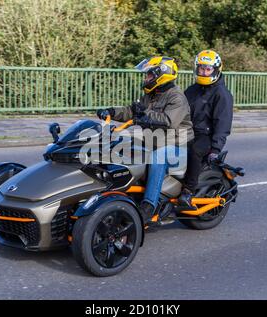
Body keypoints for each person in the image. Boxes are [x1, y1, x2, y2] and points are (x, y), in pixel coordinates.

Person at [96, 56, 194, 225]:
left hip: (177, 145)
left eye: (149, 75)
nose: (146, 78)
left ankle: (149, 205)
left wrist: (144, 115)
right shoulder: (150, 95)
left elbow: (168, 120)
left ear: (161, 75)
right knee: (122, 147)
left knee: (158, 158)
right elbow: (131, 111)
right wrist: (111, 111)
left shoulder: (177, 97)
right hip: (154, 142)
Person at [178, 50, 233, 208]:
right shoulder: (193, 90)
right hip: (188, 131)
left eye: (208, 69)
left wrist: (216, 148)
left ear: (216, 70)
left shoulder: (221, 94)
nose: (204, 72)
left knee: (194, 150)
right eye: (201, 68)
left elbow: (223, 123)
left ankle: (188, 190)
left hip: (206, 135)